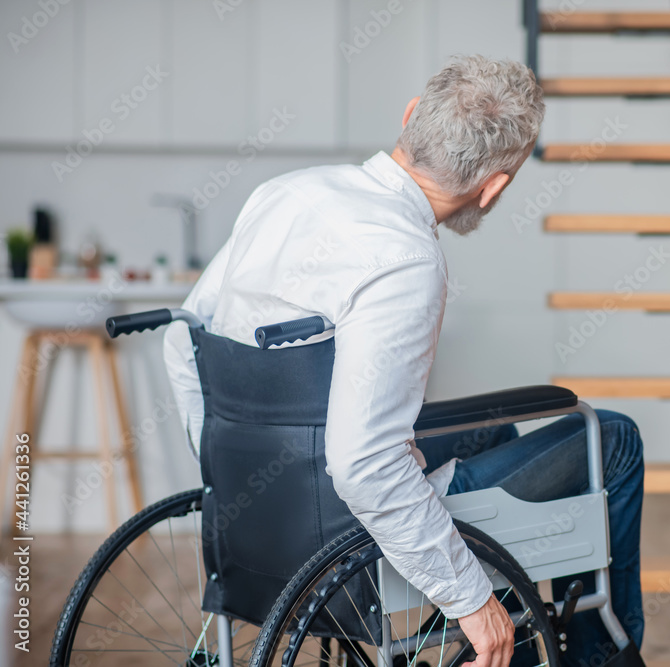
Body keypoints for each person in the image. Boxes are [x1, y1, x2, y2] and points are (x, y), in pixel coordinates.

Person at [164, 54, 644, 667]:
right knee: (614, 438)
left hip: (261, 509)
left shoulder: (287, 192)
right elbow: (363, 464)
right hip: (342, 525)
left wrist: (229, 469)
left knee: (494, 431)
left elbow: (182, 340)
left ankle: (525, 643)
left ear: (411, 116)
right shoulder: (405, 258)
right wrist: (470, 598)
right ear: (495, 185)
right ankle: (594, 657)